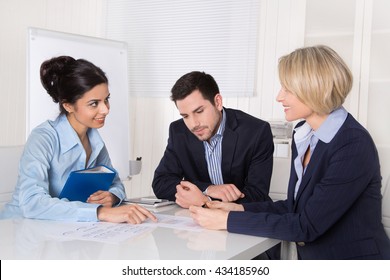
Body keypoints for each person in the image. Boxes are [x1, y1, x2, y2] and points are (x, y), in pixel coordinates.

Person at [189, 45, 390, 259]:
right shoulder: (306, 135)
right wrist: (238, 210)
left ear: (314, 88)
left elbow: (307, 225)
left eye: (287, 89)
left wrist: (226, 221)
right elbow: (295, 207)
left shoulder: (352, 144)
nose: (279, 97)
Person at [0, 56, 156, 224]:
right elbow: (31, 203)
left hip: (63, 232)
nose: (105, 110)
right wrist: (99, 212)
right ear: (68, 106)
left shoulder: (95, 141)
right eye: (94, 103)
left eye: (106, 100)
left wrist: (111, 196)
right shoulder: (43, 138)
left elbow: (115, 183)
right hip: (18, 230)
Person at [152, 71, 274, 209]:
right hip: (194, 223)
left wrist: (205, 201)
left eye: (199, 111)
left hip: (239, 220)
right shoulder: (178, 131)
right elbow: (161, 182)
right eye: (185, 116)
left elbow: (258, 195)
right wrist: (208, 189)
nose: (193, 124)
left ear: (217, 102)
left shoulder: (256, 132)